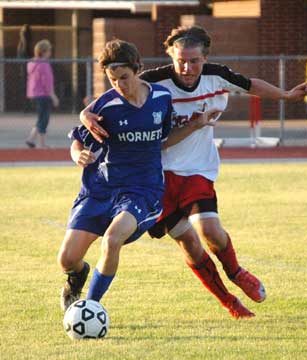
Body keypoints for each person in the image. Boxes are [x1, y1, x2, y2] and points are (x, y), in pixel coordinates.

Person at [80, 26, 307, 318]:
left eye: (194, 61)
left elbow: (252, 85)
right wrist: (83, 114)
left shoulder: (217, 76)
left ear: (205, 58)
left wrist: (287, 95)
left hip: (197, 170)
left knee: (210, 230)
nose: (187, 68)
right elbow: (114, 94)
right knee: (189, 243)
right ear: (171, 57)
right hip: (156, 177)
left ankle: (236, 271)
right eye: (181, 61)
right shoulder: (153, 83)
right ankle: (229, 302)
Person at [57, 39, 216, 312]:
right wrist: (77, 155)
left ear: (138, 70)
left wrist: (195, 125)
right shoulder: (104, 107)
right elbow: (78, 140)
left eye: (124, 77)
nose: (119, 85)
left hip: (142, 190)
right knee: (67, 260)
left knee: (112, 238)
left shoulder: (161, 100)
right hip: (100, 189)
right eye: (112, 79)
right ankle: (78, 276)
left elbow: (162, 141)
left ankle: (90, 308)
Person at [25, 39, 59, 148]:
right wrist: (53, 96)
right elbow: (47, 82)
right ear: (44, 52)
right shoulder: (44, 64)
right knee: (44, 119)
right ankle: (42, 144)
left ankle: (31, 139)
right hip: (43, 95)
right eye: (49, 50)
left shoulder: (32, 63)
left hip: (34, 94)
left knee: (41, 118)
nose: (50, 53)